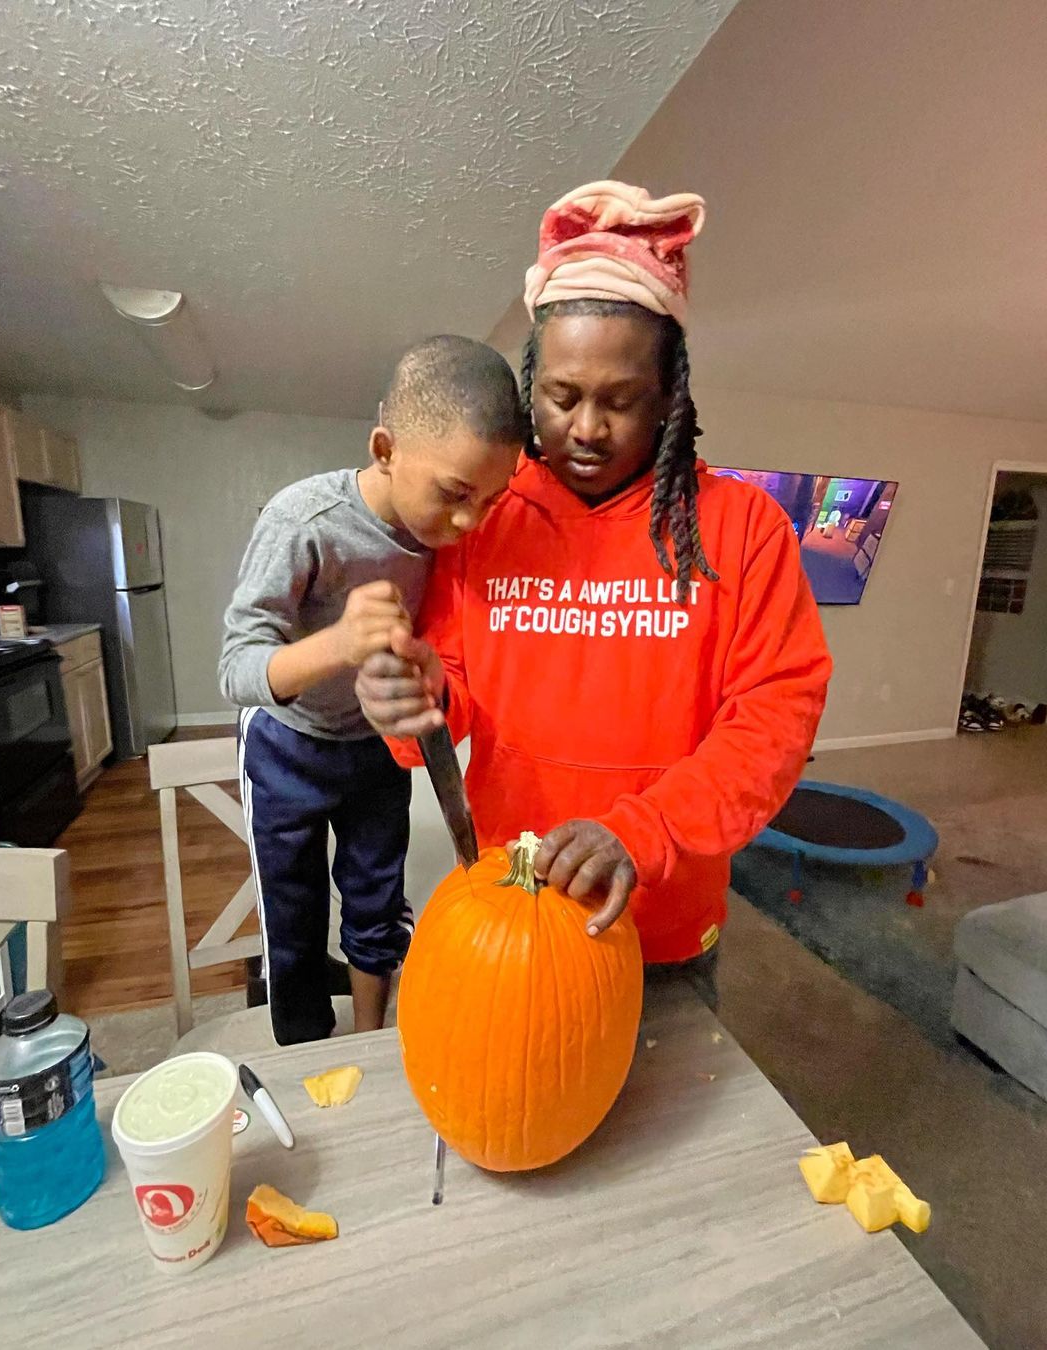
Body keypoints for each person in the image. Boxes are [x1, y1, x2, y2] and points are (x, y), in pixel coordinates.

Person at [356, 183, 833, 1003]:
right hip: (514, 913)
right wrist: (412, 699)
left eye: (621, 401)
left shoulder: (742, 527)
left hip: (663, 926)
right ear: (530, 385)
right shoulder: (488, 515)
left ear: (669, 396)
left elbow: (774, 721)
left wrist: (643, 832)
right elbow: (448, 693)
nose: (586, 428)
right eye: (561, 396)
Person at [219, 336, 526, 1044]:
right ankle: (303, 1053)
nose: (470, 522)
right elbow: (237, 669)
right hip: (287, 746)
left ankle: (369, 1044)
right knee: (292, 920)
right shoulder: (303, 521)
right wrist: (338, 643)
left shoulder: (457, 543)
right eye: (455, 494)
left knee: (377, 906)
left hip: (377, 752)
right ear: (385, 449)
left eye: (491, 499)